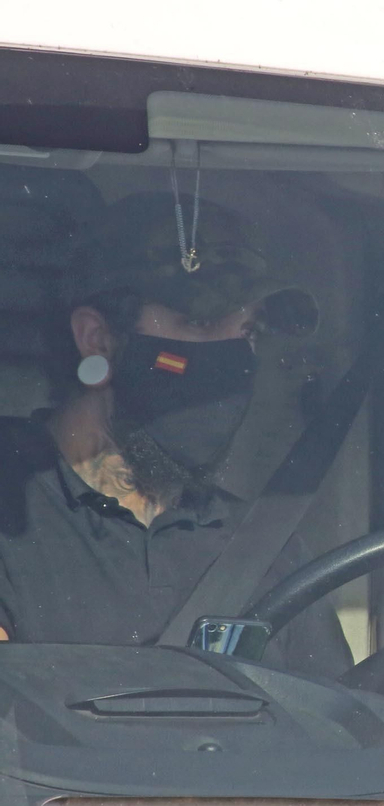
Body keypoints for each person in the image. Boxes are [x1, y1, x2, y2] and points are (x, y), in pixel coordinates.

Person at [0, 191, 351, 677]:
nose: (233, 360)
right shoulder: (11, 509)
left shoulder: (264, 547)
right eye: (203, 322)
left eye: (247, 332)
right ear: (97, 338)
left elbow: (328, 733)